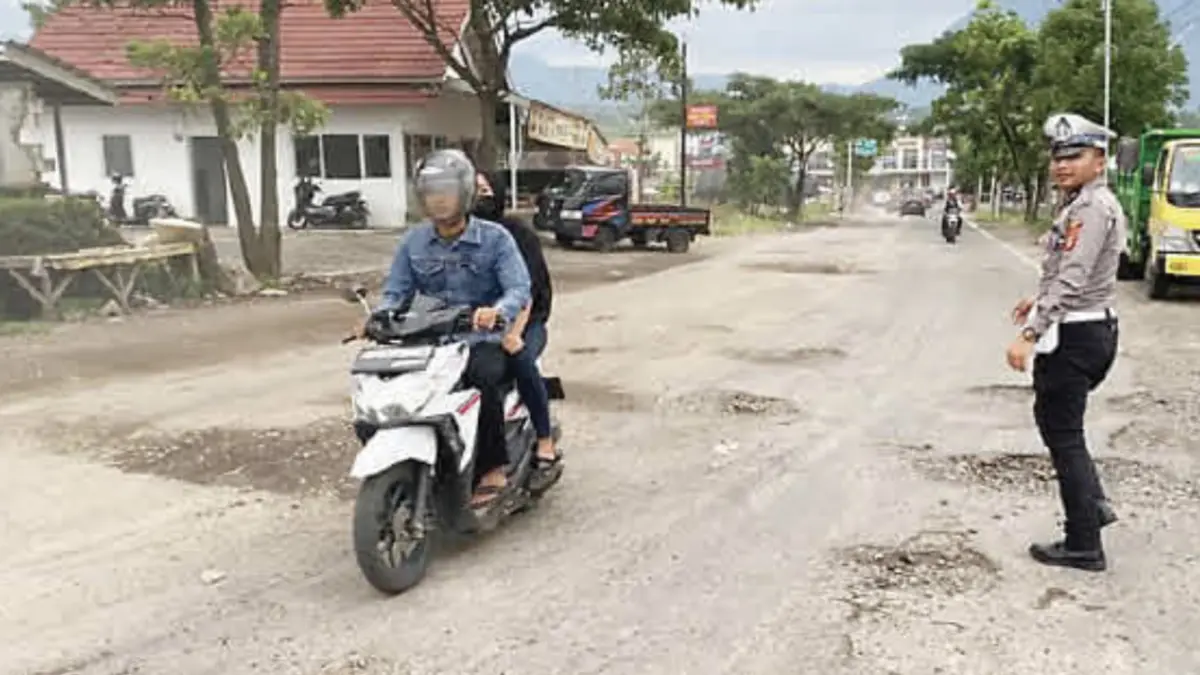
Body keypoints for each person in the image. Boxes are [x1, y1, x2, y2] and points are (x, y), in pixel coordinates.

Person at [374, 149, 531, 510]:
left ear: (465, 193)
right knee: (388, 382)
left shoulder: (496, 239)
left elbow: (518, 288)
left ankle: (492, 468)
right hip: (429, 341)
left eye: (447, 190)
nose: (439, 199)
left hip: (480, 340)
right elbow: (396, 292)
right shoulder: (413, 242)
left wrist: (497, 312)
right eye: (431, 191)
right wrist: (380, 316)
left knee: (482, 377)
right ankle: (407, 462)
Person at [1006, 112, 1123, 572]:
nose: (1062, 165)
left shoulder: (1092, 208)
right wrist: (1037, 300)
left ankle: (1083, 543)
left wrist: (1030, 333)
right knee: (1059, 425)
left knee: (1063, 433)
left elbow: (1074, 279)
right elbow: (1074, 272)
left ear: (1100, 160)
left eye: (1075, 156)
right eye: (1058, 157)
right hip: (1086, 329)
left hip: (1076, 335)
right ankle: (1092, 506)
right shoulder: (1083, 204)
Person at [472, 171, 561, 474]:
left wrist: (515, 334)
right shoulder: (462, 235)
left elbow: (527, 291)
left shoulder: (517, 234)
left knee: (519, 360)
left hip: (526, 321)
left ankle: (545, 439)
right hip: (478, 323)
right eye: (474, 190)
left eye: (486, 191)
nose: (480, 197)